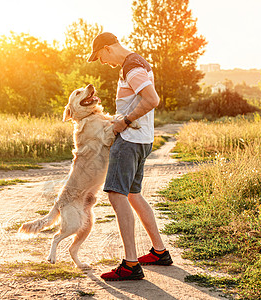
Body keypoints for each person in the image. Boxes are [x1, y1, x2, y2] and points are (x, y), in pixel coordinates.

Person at [87, 32, 173, 281]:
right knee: (133, 194)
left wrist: (124, 121)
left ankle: (131, 264)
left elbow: (152, 99)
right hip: (142, 139)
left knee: (117, 194)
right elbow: (141, 99)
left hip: (130, 141)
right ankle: (160, 252)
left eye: (100, 57)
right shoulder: (138, 62)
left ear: (107, 48)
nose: (102, 62)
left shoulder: (131, 66)